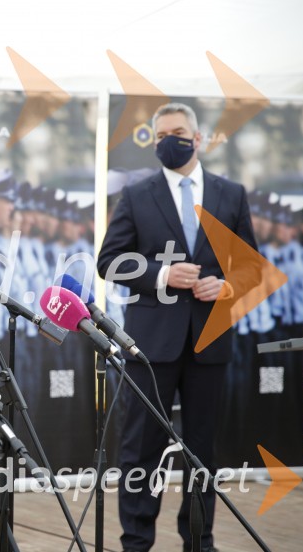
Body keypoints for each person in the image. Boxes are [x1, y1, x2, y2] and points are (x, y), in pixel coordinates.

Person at [97, 102, 258, 552]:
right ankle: (136, 543)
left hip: (210, 341)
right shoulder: (136, 194)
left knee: (202, 451)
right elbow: (109, 263)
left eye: (179, 132)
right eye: (162, 133)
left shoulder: (231, 194)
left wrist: (226, 288)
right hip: (150, 345)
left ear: (199, 137)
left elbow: (251, 267)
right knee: (141, 450)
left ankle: (198, 541)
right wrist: (162, 275)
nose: (171, 139)